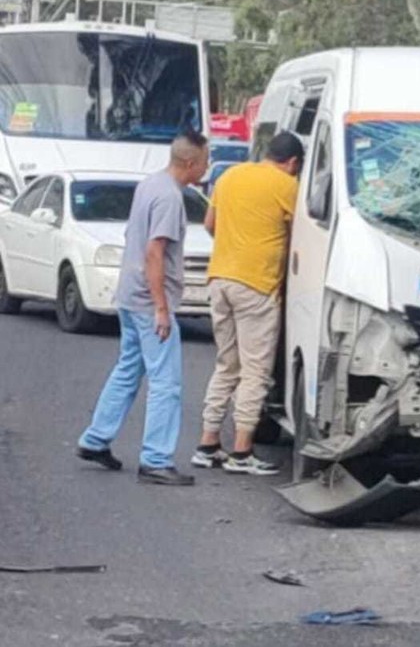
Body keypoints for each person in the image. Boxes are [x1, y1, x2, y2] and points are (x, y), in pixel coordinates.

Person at [76, 131, 210, 486]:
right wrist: (162, 309)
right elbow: (155, 252)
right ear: (190, 162)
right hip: (149, 301)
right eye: (205, 161)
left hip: (129, 293)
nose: (207, 168)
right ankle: (156, 459)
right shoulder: (169, 198)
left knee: (128, 368)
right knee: (167, 382)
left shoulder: (150, 185)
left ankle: (96, 438)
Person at [193, 132, 303, 475]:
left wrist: (235, 245)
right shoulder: (287, 186)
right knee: (255, 370)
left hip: (220, 279)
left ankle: (208, 443)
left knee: (227, 365)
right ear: (294, 163)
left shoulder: (230, 176)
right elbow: (304, 236)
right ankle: (242, 452)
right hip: (256, 285)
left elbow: (210, 224)